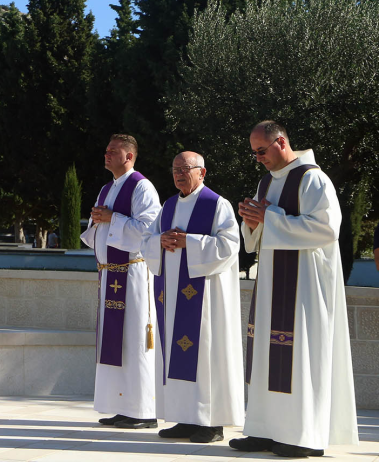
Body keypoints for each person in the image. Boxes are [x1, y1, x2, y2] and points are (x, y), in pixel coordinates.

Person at [230, 122, 358, 457]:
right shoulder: (266, 182)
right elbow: (259, 233)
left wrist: (269, 217)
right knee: (266, 354)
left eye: (261, 151)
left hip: (303, 287)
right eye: (254, 153)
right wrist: (252, 222)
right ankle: (263, 430)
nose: (258, 158)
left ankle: (301, 436)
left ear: (281, 142)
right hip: (271, 282)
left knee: (298, 356)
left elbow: (327, 230)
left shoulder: (313, 179)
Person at [140, 152, 243, 444]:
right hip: (171, 297)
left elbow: (230, 245)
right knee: (175, 356)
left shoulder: (216, 205)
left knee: (206, 356)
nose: (179, 174)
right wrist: (159, 241)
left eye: (185, 169)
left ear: (202, 172)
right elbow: (146, 240)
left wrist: (191, 242)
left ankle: (212, 423)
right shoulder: (169, 206)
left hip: (205, 298)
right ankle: (184, 418)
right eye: (175, 169)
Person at [81, 134, 160, 429]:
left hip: (133, 274)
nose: (107, 154)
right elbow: (99, 228)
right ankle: (121, 406)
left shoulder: (142, 187)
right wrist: (99, 220)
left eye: (113, 151)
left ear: (129, 156)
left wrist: (111, 218)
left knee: (135, 340)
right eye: (106, 150)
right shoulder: (106, 188)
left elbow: (149, 229)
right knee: (116, 341)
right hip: (110, 274)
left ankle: (144, 411)